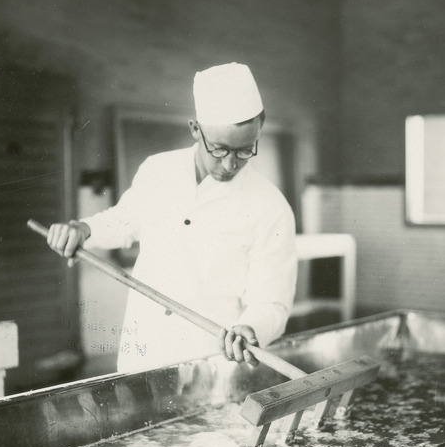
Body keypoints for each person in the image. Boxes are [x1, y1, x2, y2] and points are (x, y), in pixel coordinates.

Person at [46, 62, 298, 372]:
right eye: (219, 149)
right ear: (195, 130)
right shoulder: (158, 170)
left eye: (245, 150)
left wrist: (251, 328)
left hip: (212, 360)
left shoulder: (271, 208)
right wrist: (84, 229)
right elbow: (124, 220)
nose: (231, 164)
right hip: (144, 350)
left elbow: (272, 301)